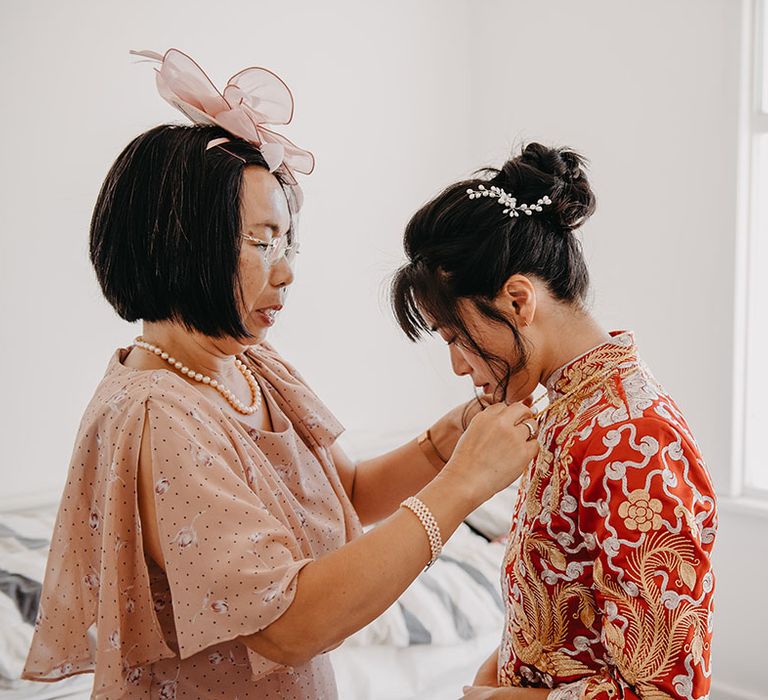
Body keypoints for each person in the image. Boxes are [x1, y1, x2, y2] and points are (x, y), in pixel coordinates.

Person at [21, 49, 539, 699]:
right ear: (182, 242)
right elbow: (287, 626)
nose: (287, 270)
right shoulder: (157, 416)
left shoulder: (247, 364)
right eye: (262, 242)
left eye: (288, 242)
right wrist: (461, 486)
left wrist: (455, 431)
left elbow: (343, 494)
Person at [391, 143, 717, 699]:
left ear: (519, 301)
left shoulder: (637, 442)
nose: (457, 366)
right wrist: (502, 662)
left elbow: (665, 694)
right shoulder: (567, 411)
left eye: (457, 338)